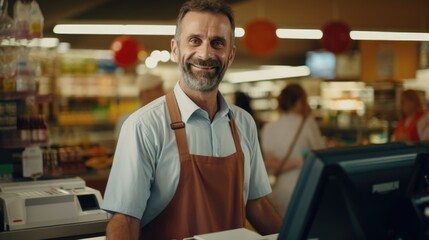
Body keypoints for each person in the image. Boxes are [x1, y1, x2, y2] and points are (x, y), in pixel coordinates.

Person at [102, 0, 282, 239]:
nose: (205, 54)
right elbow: (124, 220)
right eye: (194, 40)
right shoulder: (144, 127)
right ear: (175, 49)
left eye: (217, 43)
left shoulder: (243, 122)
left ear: (230, 55)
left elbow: (257, 204)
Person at [260, 83, 325, 217]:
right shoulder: (307, 123)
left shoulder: (269, 128)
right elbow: (320, 154)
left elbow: (269, 163)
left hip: (276, 190)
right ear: (300, 101)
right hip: (304, 187)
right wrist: (299, 161)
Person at [114, 72, 165, 139]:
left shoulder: (164, 117)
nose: (163, 93)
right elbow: (120, 147)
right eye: (157, 89)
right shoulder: (127, 120)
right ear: (143, 93)